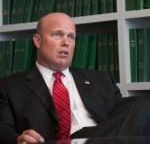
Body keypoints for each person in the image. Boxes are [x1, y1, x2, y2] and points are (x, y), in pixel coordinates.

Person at [0, 12, 150, 144]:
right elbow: (4, 131)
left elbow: (122, 120)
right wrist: (19, 140)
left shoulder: (102, 79)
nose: (66, 42)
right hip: (54, 141)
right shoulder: (9, 86)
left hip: (102, 138)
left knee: (142, 104)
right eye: (57, 34)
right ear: (37, 41)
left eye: (71, 37)